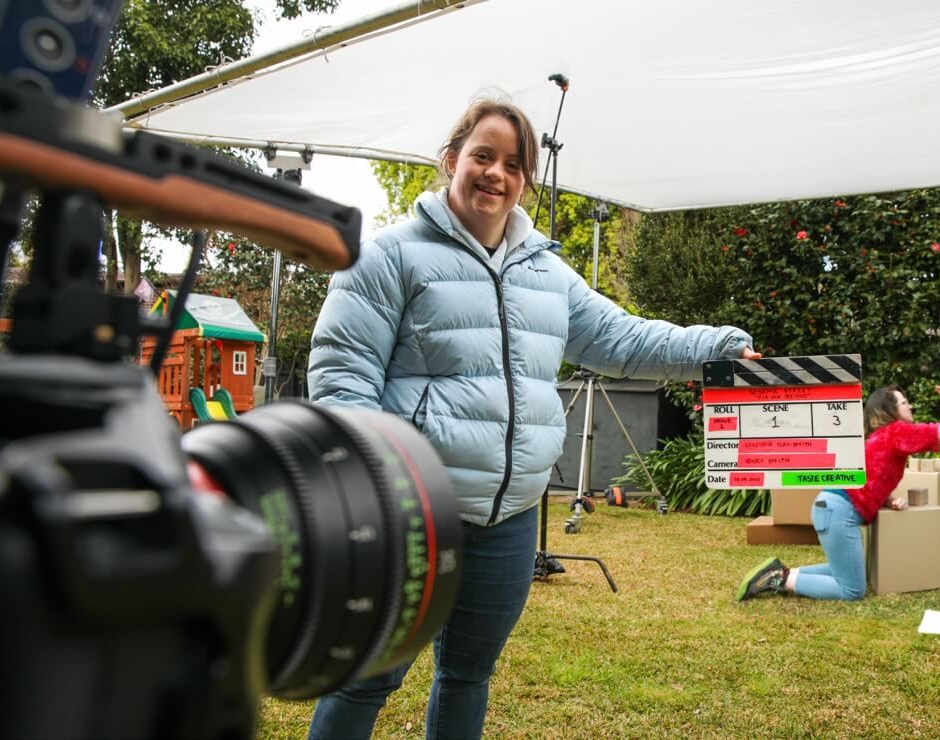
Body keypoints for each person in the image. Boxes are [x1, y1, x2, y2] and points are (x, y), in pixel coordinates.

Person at [304, 97, 761, 740]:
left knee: (467, 675)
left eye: (513, 164)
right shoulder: (387, 257)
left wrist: (714, 349)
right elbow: (342, 376)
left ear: (526, 182)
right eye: (482, 156)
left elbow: (622, 340)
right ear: (450, 160)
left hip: (510, 519)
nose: (495, 173)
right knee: (369, 677)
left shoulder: (548, 274)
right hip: (412, 515)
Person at [737, 384, 940, 601]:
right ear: (890, 410)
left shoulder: (880, 438)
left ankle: (781, 572)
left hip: (832, 507)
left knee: (845, 571)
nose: (910, 406)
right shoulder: (896, 432)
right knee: (852, 590)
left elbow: (871, 480)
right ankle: (778, 579)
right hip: (840, 511)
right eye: (904, 403)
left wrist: (888, 500)